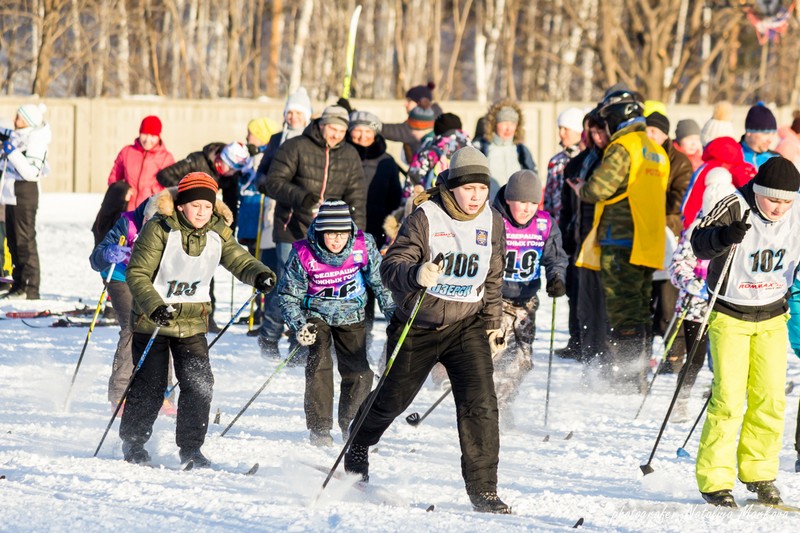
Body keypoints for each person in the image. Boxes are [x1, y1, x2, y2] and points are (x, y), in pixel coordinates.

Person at [344, 146, 511, 514]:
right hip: (418, 324)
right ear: (452, 187)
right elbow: (392, 267)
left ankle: (484, 490)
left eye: (482, 190)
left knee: (480, 404)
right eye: (469, 189)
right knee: (393, 399)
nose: (476, 197)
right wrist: (415, 274)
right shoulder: (426, 217)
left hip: (466, 325)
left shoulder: (493, 221)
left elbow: (494, 276)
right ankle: (359, 441)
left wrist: (493, 325)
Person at [119, 172, 276, 466]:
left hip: (192, 322)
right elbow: (137, 274)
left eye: (207, 206)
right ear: (181, 206)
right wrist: (155, 305)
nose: (202, 212)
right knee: (151, 386)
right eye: (195, 206)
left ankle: (191, 448)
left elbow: (238, 259)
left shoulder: (217, 231)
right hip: (153, 320)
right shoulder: (159, 229)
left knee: (199, 384)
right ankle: (134, 441)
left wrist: (260, 274)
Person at [691, 157, 800, 507]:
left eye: (787, 201)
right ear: (759, 192)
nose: (780, 208)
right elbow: (699, 242)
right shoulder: (735, 205)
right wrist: (724, 236)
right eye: (773, 200)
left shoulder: (796, 214)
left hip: (772, 315)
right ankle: (715, 480)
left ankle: (759, 473)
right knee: (729, 398)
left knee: (770, 397)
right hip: (730, 314)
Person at [569, 90, 669, 391]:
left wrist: (582, 187)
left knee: (623, 311)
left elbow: (598, 189)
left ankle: (626, 377)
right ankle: (637, 373)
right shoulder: (657, 151)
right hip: (648, 241)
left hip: (622, 240)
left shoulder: (623, 146)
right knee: (639, 309)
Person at [278, 200, 394, 446]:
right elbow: (288, 295)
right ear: (321, 231)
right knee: (319, 362)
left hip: (352, 313)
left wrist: (394, 313)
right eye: (330, 233)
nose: (336, 240)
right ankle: (320, 428)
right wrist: (299, 325)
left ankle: (352, 423)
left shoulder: (362, 245)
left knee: (360, 371)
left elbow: (380, 283)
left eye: (341, 234)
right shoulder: (303, 252)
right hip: (315, 315)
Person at [257, 105, 367, 358]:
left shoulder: (350, 155)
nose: (336, 135)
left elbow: (356, 198)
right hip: (293, 227)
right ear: (321, 125)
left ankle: (301, 347)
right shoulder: (296, 146)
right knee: (289, 287)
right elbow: (273, 182)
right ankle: (269, 336)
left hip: (328, 237)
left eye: (342, 131)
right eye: (332, 129)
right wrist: (302, 198)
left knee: (316, 291)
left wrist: (356, 236)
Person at [89, 190, 177, 415]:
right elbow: (95, 258)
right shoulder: (127, 223)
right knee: (133, 326)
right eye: (148, 223)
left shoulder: (173, 227)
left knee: (162, 326)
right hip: (121, 276)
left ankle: (164, 394)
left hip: (153, 280)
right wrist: (108, 253)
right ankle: (120, 394)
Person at [491, 169, 567, 429]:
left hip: (526, 303)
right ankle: (490, 408)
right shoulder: (494, 220)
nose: (526, 209)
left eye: (533, 203)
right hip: (495, 301)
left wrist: (556, 277)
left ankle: (504, 402)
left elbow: (555, 257)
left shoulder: (545, 224)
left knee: (523, 361)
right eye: (521, 202)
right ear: (509, 199)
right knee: (496, 356)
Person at [667, 171, 735, 422]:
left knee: (725, 356)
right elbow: (677, 266)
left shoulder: (736, 232)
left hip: (727, 304)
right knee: (695, 358)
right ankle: (681, 400)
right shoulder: (696, 228)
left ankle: (722, 398)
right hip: (697, 305)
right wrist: (695, 285)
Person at [253, 89, 314, 348]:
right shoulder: (277, 140)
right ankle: (270, 333)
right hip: (285, 220)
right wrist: (276, 186)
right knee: (285, 279)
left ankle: (298, 338)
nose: (293, 117)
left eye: (298, 113)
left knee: (309, 282)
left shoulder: (313, 141)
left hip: (312, 220)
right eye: (289, 112)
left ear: (307, 116)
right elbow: (261, 176)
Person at [644, 111, 693, 374]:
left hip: (667, 235)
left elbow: (679, 198)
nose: (650, 136)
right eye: (646, 130)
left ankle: (674, 356)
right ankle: (643, 356)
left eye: (655, 131)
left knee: (667, 302)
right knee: (644, 301)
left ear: (665, 134)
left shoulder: (680, 162)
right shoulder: (639, 156)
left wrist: (650, 200)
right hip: (641, 235)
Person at [0, 103, 51, 300]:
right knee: (12, 240)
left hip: (25, 193)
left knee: (24, 241)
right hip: (10, 194)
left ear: (28, 121)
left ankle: (31, 287)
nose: (15, 120)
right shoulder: (17, 135)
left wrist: (11, 152)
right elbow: (5, 133)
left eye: (19, 117)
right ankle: (18, 283)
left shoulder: (36, 140)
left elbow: (31, 172)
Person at [106, 115, 175, 211]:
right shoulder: (127, 152)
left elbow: (171, 188)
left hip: (151, 213)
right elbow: (113, 179)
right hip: (127, 212)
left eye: (152, 135)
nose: (147, 140)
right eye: (145, 134)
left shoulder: (166, 158)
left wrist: (153, 192)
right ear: (139, 133)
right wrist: (122, 192)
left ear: (159, 136)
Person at [473, 99, 537, 199]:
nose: (508, 128)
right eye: (504, 123)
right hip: (489, 208)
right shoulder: (480, 147)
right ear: (494, 124)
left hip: (515, 209)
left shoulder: (522, 151)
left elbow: (532, 180)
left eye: (512, 124)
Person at [407, 113, 471, 189]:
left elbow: (412, 184)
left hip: (435, 199)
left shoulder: (427, 152)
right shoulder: (473, 152)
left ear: (437, 130)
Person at [543, 107, 585, 223]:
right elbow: (548, 198)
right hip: (557, 223)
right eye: (560, 128)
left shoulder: (586, 159)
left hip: (580, 223)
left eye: (566, 129)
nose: (561, 133)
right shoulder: (556, 161)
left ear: (578, 131)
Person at [740, 103, 779, 170]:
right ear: (749, 131)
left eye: (773, 134)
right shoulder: (733, 157)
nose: (770, 139)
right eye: (766, 133)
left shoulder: (776, 159)